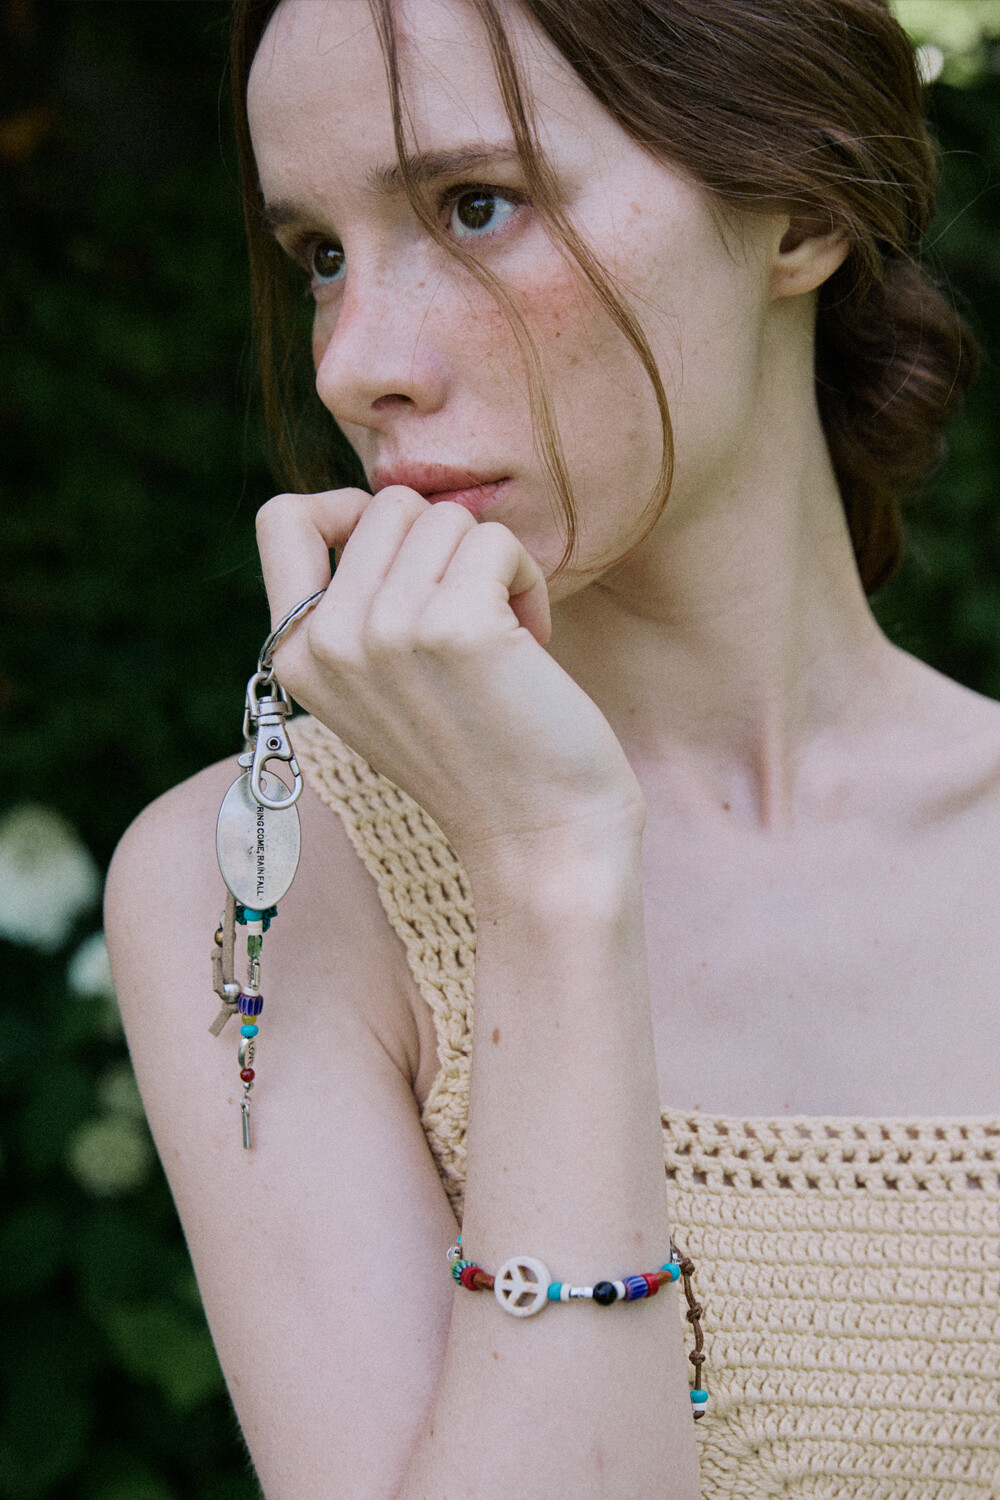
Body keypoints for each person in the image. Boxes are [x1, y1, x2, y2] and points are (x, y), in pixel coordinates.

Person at [105, 0, 1000, 1495]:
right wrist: (548, 873)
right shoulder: (271, 885)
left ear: (800, 211)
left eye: (475, 205)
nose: (350, 365)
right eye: (319, 256)